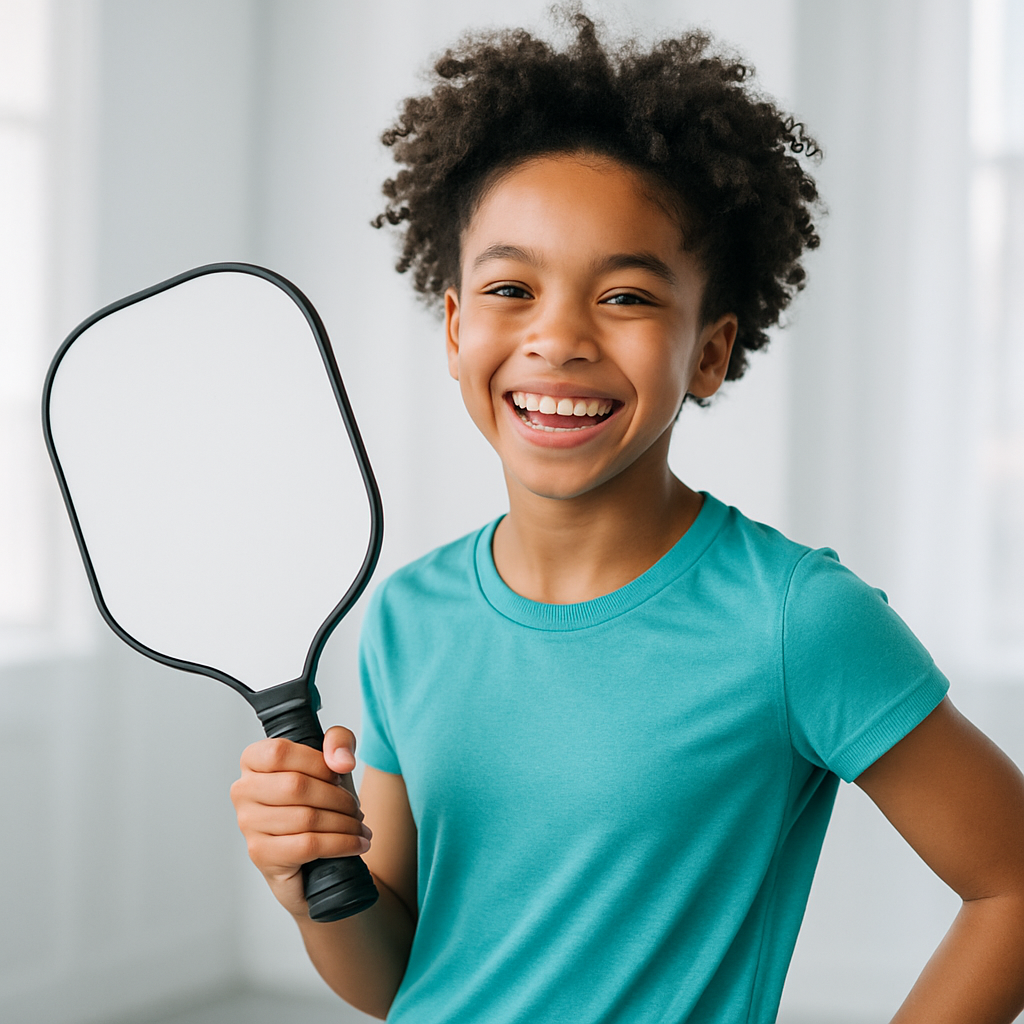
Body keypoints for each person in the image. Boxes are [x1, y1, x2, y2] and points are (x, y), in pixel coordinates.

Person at [230, 11, 1024, 1022]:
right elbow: (397, 982)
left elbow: (1011, 887)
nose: (556, 338)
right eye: (511, 287)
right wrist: (310, 885)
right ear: (456, 324)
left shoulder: (792, 617)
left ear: (709, 350)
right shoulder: (405, 618)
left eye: (626, 297)